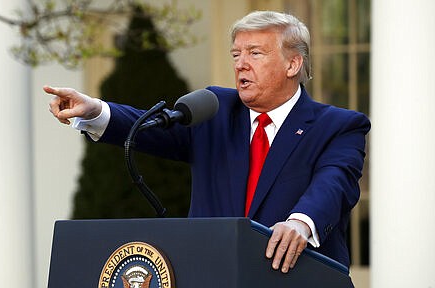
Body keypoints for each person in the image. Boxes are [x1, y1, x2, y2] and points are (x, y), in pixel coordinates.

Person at [44, 10, 370, 274]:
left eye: (255, 53)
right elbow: (153, 127)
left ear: (292, 64)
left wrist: (300, 222)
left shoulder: (338, 126)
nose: (241, 63)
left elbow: (334, 183)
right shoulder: (215, 109)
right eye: (236, 54)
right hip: (213, 275)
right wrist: (95, 110)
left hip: (293, 278)